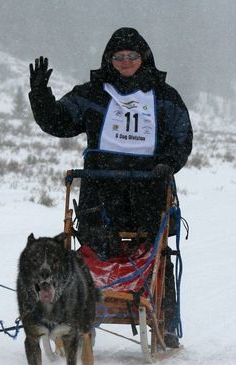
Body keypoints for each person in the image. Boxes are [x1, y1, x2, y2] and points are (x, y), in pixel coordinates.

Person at [28, 27, 193, 348]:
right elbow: (59, 122)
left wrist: (169, 162)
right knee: (94, 240)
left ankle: (166, 321)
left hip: (148, 186)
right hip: (101, 188)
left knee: (156, 248)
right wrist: (40, 95)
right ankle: (79, 302)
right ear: (109, 59)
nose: (126, 62)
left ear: (143, 57)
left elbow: (182, 137)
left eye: (132, 56)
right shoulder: (93, 92)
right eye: (119, 56)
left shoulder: (165, 96)